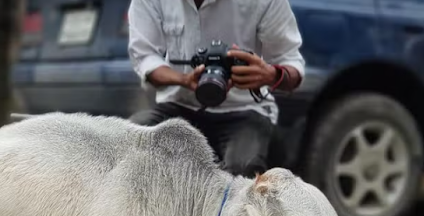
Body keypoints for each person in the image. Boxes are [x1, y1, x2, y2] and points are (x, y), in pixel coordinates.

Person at [127, 0, 305, 178]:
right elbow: (145, 56)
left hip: (244, 109)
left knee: (242, 171)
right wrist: (184, 80)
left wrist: (271, 74)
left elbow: (291, 65)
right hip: (179, 104)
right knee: (129, 143)